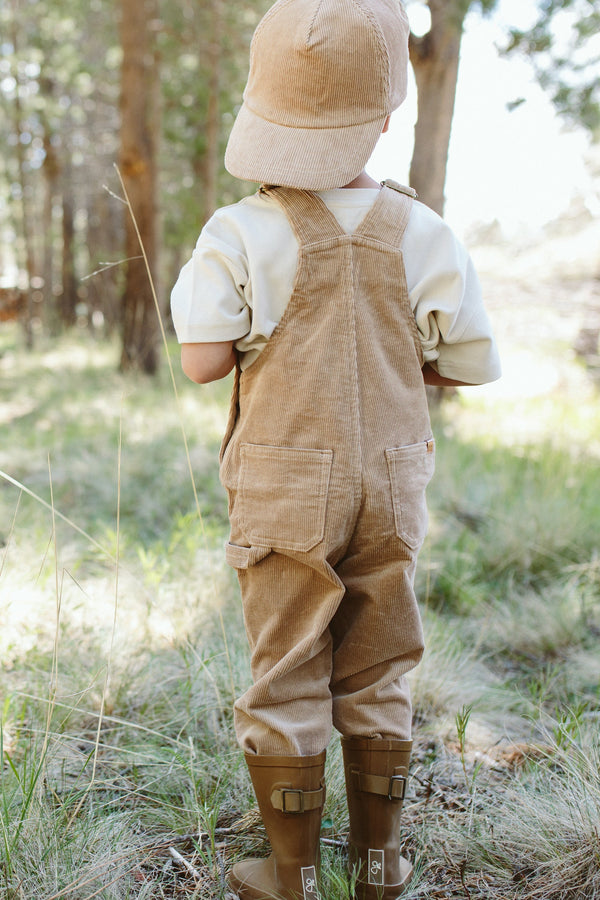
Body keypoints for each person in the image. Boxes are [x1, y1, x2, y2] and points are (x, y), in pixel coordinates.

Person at [170, 1, 501, 898]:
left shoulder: (240, 230)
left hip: (284, 482)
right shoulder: (425, 232)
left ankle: (292, 871)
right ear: (388, 114)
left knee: (286, 665)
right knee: (381, 655)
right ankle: (382, 862)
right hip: (391, 481)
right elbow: (465, 366)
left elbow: (203, 364)